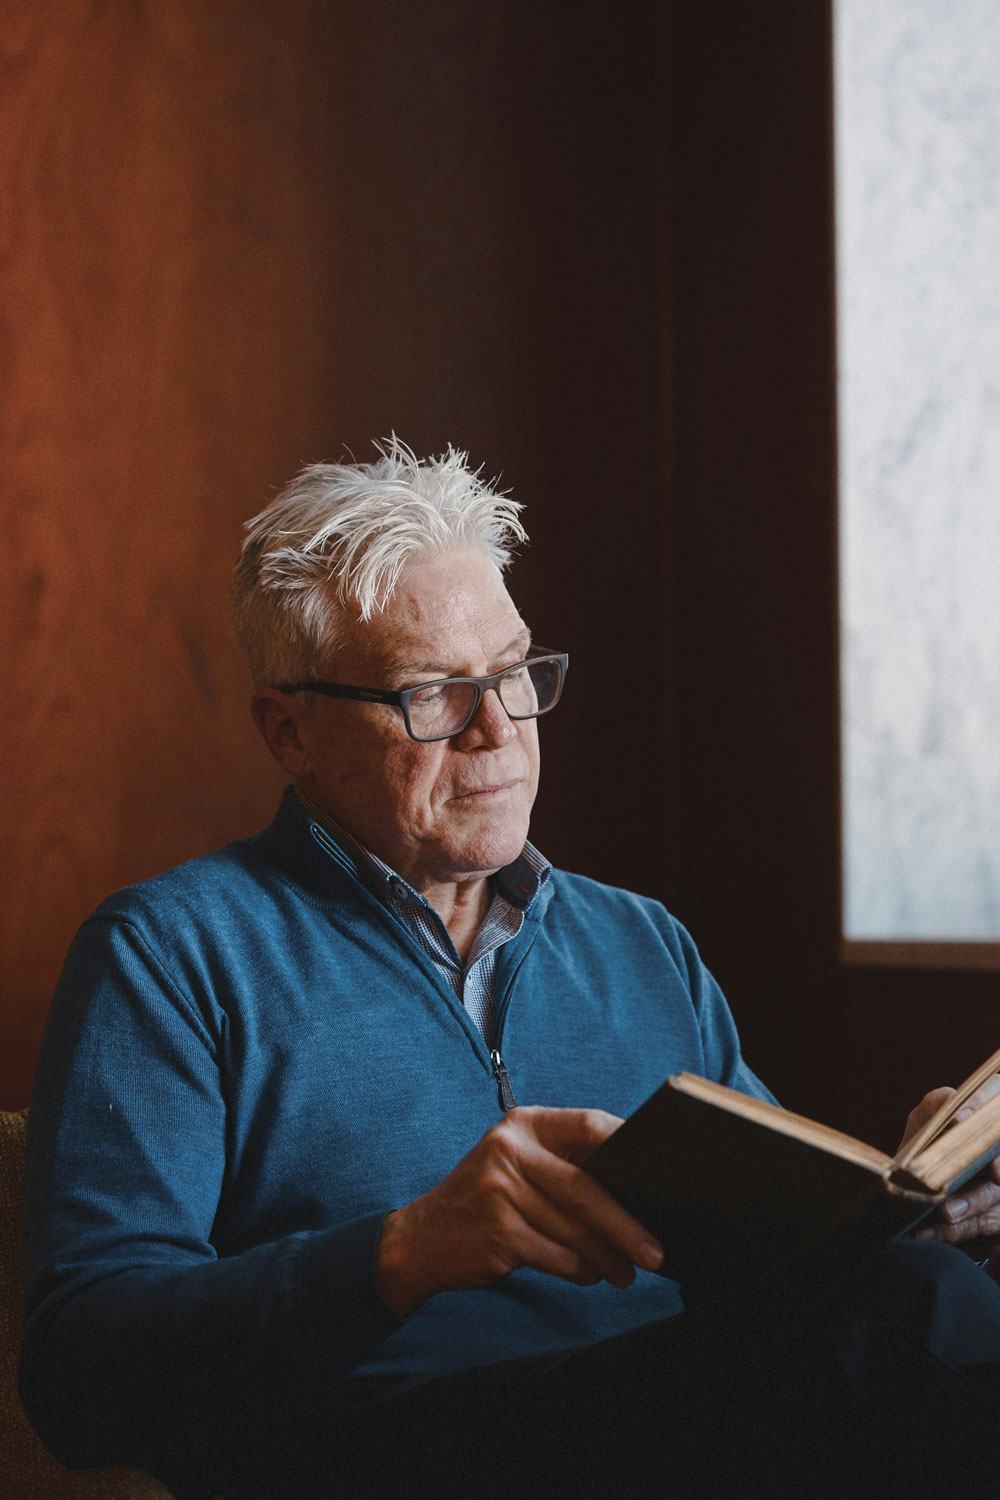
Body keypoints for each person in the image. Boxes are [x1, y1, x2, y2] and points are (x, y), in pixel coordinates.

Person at [20, 441, 1000, 1499]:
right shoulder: (168, 954)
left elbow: (767, 1271)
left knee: (914, 1288)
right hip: (377, 1450)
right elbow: (81, 1370)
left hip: (674, 1426)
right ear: (287, 728)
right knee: (918, 1319)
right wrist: (402, 1252)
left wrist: (899, 1214)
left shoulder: (639, 942)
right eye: (434, 694)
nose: (501, 730)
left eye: (515, 673)